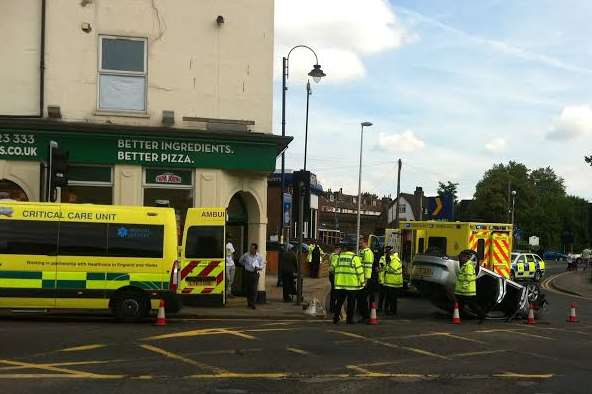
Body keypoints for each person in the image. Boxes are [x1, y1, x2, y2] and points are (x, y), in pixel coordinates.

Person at [332, 241, 365, 324]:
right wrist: (362, 282)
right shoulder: (355, 258)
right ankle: (349, 320)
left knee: (339, 302)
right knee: (351, 303)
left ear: (345, 249)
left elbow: (332, 268)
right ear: (353, 249)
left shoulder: (339, 257)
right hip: (352, 285)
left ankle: (335, 318)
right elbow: (360, 271)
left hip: (340, 285)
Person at [454, 249, 485, 323]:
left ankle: (482, 315)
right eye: (460, 257)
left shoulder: (468, 266)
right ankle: (458, 317)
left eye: (462, 257)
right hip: (462, 291)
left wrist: (463, 287)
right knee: (460, 305)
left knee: (472, 305)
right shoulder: (465, 265)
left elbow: (468, 278)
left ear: (466, 257)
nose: (460, 258)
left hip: (467, 291)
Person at [239, 243, 265, 309]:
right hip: (247, 273)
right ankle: (249, 302)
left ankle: (253, 303)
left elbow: (262, 265)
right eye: (250, 248)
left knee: (254, 289)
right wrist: (245, 265)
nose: (251, 249)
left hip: (255, 274)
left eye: (252, 248)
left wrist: (258, 268)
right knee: (248, 289)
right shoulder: (246, 255)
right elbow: (240, 261)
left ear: (256, 249)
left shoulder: (259, 256)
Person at [380, 246, 403, 315]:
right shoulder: (391, 259)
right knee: (390, 298)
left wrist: (384, 267)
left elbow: (392, 269)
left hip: (394, 282)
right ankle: (390, 310)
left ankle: (393, 311)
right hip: (390, 282)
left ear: (391, 252)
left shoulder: (395, 259)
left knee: (393, 298)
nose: (387, 254)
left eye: (388, 253)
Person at [356, 238, 373, 322]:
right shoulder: (362, 252)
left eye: (361, 242)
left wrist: (366, 279)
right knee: (360, 298)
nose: (359, 244)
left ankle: (365, 316)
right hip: (361, 279)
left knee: (363, 298)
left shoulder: (368, 252)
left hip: (365, 279)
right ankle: (363, 315)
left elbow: (368, 267)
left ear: (366, 243)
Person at [328, 245, 341, 313]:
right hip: (335, 275)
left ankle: (332, 307)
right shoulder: (336, 256)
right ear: (337, 249)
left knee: (333, 291)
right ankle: (333, 308)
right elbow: (333, 266)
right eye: (339, 249)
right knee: (335, 292)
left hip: (331, 275)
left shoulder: (331, 255)